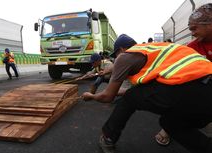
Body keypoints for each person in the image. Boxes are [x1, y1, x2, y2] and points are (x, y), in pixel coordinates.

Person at [82, 34, 212, 153]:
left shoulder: (125, 56)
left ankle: (108, 138)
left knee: (128, 99)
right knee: (170, 123)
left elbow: (108, 96)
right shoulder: (154, 51)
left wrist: (92, 96)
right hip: (205, 92)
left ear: (121, 49)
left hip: (188, 86)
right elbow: (141, 93)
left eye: (116, 55)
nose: (116, 58)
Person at [155, 3, 212, 146]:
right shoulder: (192, 47)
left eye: (194, 28)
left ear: (209, 24)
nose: (192, 33)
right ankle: (170, 126)